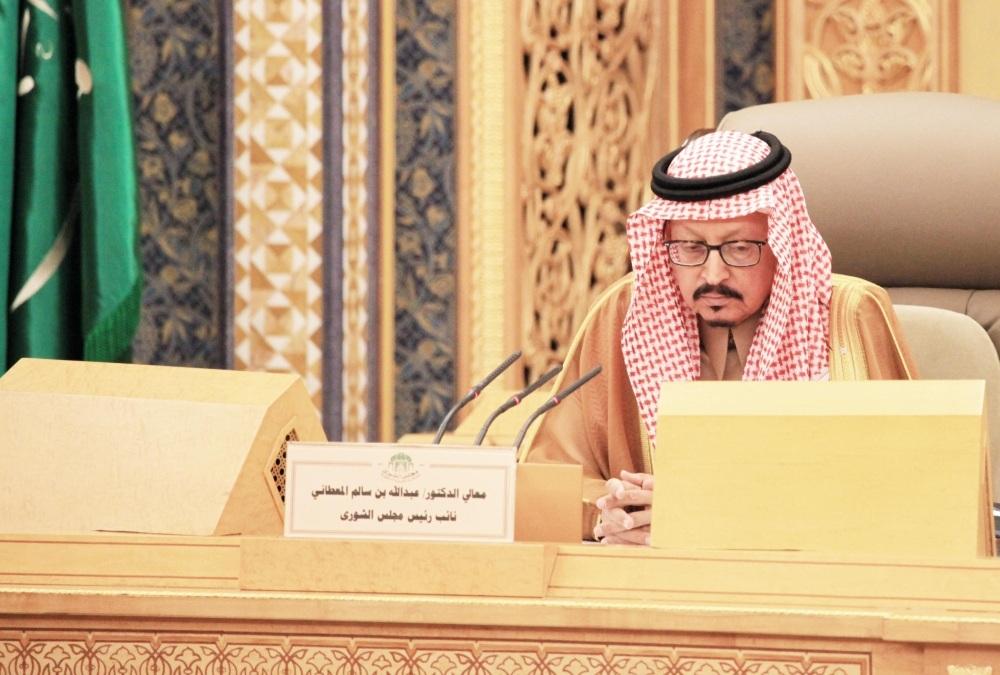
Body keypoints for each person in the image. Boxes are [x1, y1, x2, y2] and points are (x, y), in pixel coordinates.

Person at [523, 130, 915, 544]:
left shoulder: (849, 316)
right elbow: (548, 484)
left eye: (740, 248)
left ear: (782, 243)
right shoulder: (623, 314)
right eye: (691, 248)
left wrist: (707, 514)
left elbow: (911, 490)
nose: (712, 275)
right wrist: (614, 513)